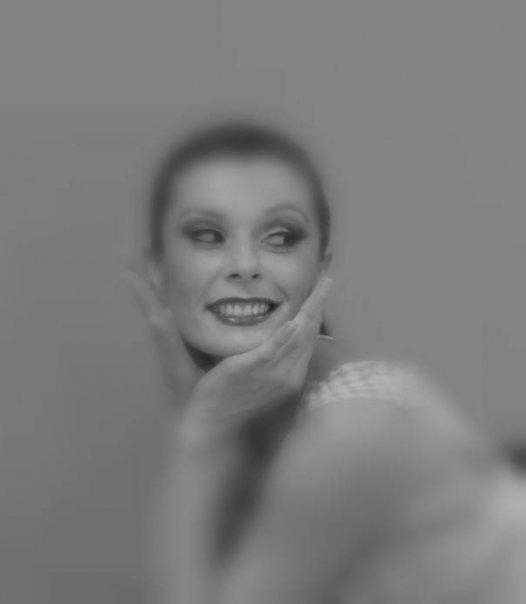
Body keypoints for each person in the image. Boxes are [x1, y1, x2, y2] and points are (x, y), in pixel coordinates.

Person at [124, 120, 526, 604]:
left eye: (281, 236)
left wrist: (200, 433)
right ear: (157, 273)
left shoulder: (353, 431)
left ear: (319, 271)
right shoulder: (258, 427)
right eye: (208, 235)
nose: (245, 265)